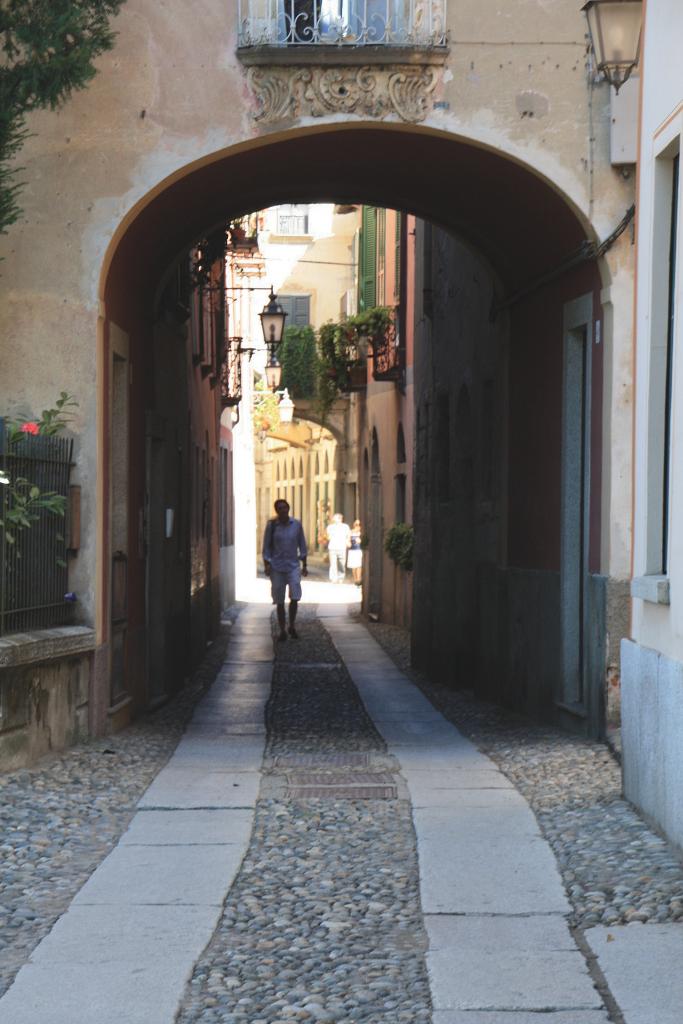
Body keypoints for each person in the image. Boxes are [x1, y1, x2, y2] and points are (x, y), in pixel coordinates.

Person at [262, 498, 308, 641]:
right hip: (277, 566)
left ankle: (292, 625)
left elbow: (302, 545)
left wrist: (304, 564)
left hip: (293, 566)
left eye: (285, 507)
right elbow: (266, 546)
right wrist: (267, 564)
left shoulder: (296, 525)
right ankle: (282, 629)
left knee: (295, 596)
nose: (283, 510)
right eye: (280, 508)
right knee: (279, 600)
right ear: (276, 510)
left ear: (288, 508)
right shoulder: (272, 526)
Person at [326, 512, 351, 583]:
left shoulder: (345, 527)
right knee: (333, 564)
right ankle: (333, 578)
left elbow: (348, 535)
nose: (333, 519)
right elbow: (328, 536)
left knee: (342, 563)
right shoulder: (330, 527)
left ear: (340, 519)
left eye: (335, 518)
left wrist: (348, 541)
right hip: (332, 547)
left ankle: (341, 577)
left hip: (342, 547)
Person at [347, 518, 363, 586]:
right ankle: (355, 579)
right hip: (352, 550)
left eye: (359, 524)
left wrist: (360, 541)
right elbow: (348, 540)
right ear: (354, 525)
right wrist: (348, 543)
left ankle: (359, 579)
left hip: (359, 550)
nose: (357, 526)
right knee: (354, 566)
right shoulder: (351, 532)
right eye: (356, 524)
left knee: (359, 565)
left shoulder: (361, 532)